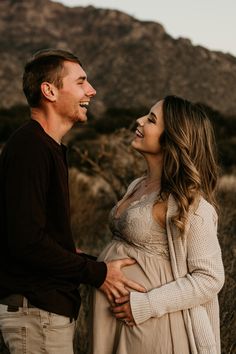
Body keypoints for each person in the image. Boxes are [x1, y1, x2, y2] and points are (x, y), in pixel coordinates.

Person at [0, 49, 145, 354]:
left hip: (43, 313)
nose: (91, 90)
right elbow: (26, 241)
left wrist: (90, 262)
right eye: (81, 82)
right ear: (49, 91)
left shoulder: (47, 146)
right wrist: (98, 273)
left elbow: (40, 234)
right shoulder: (30, 147)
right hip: (36, 313)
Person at [91, 95, 225, 354]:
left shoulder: (191, 205)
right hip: (119, 322)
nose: (139, 121)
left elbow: (210, 278)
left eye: (151, 119)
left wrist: (146, 305)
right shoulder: (137, 185)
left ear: (172, 138)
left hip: (154, 328)